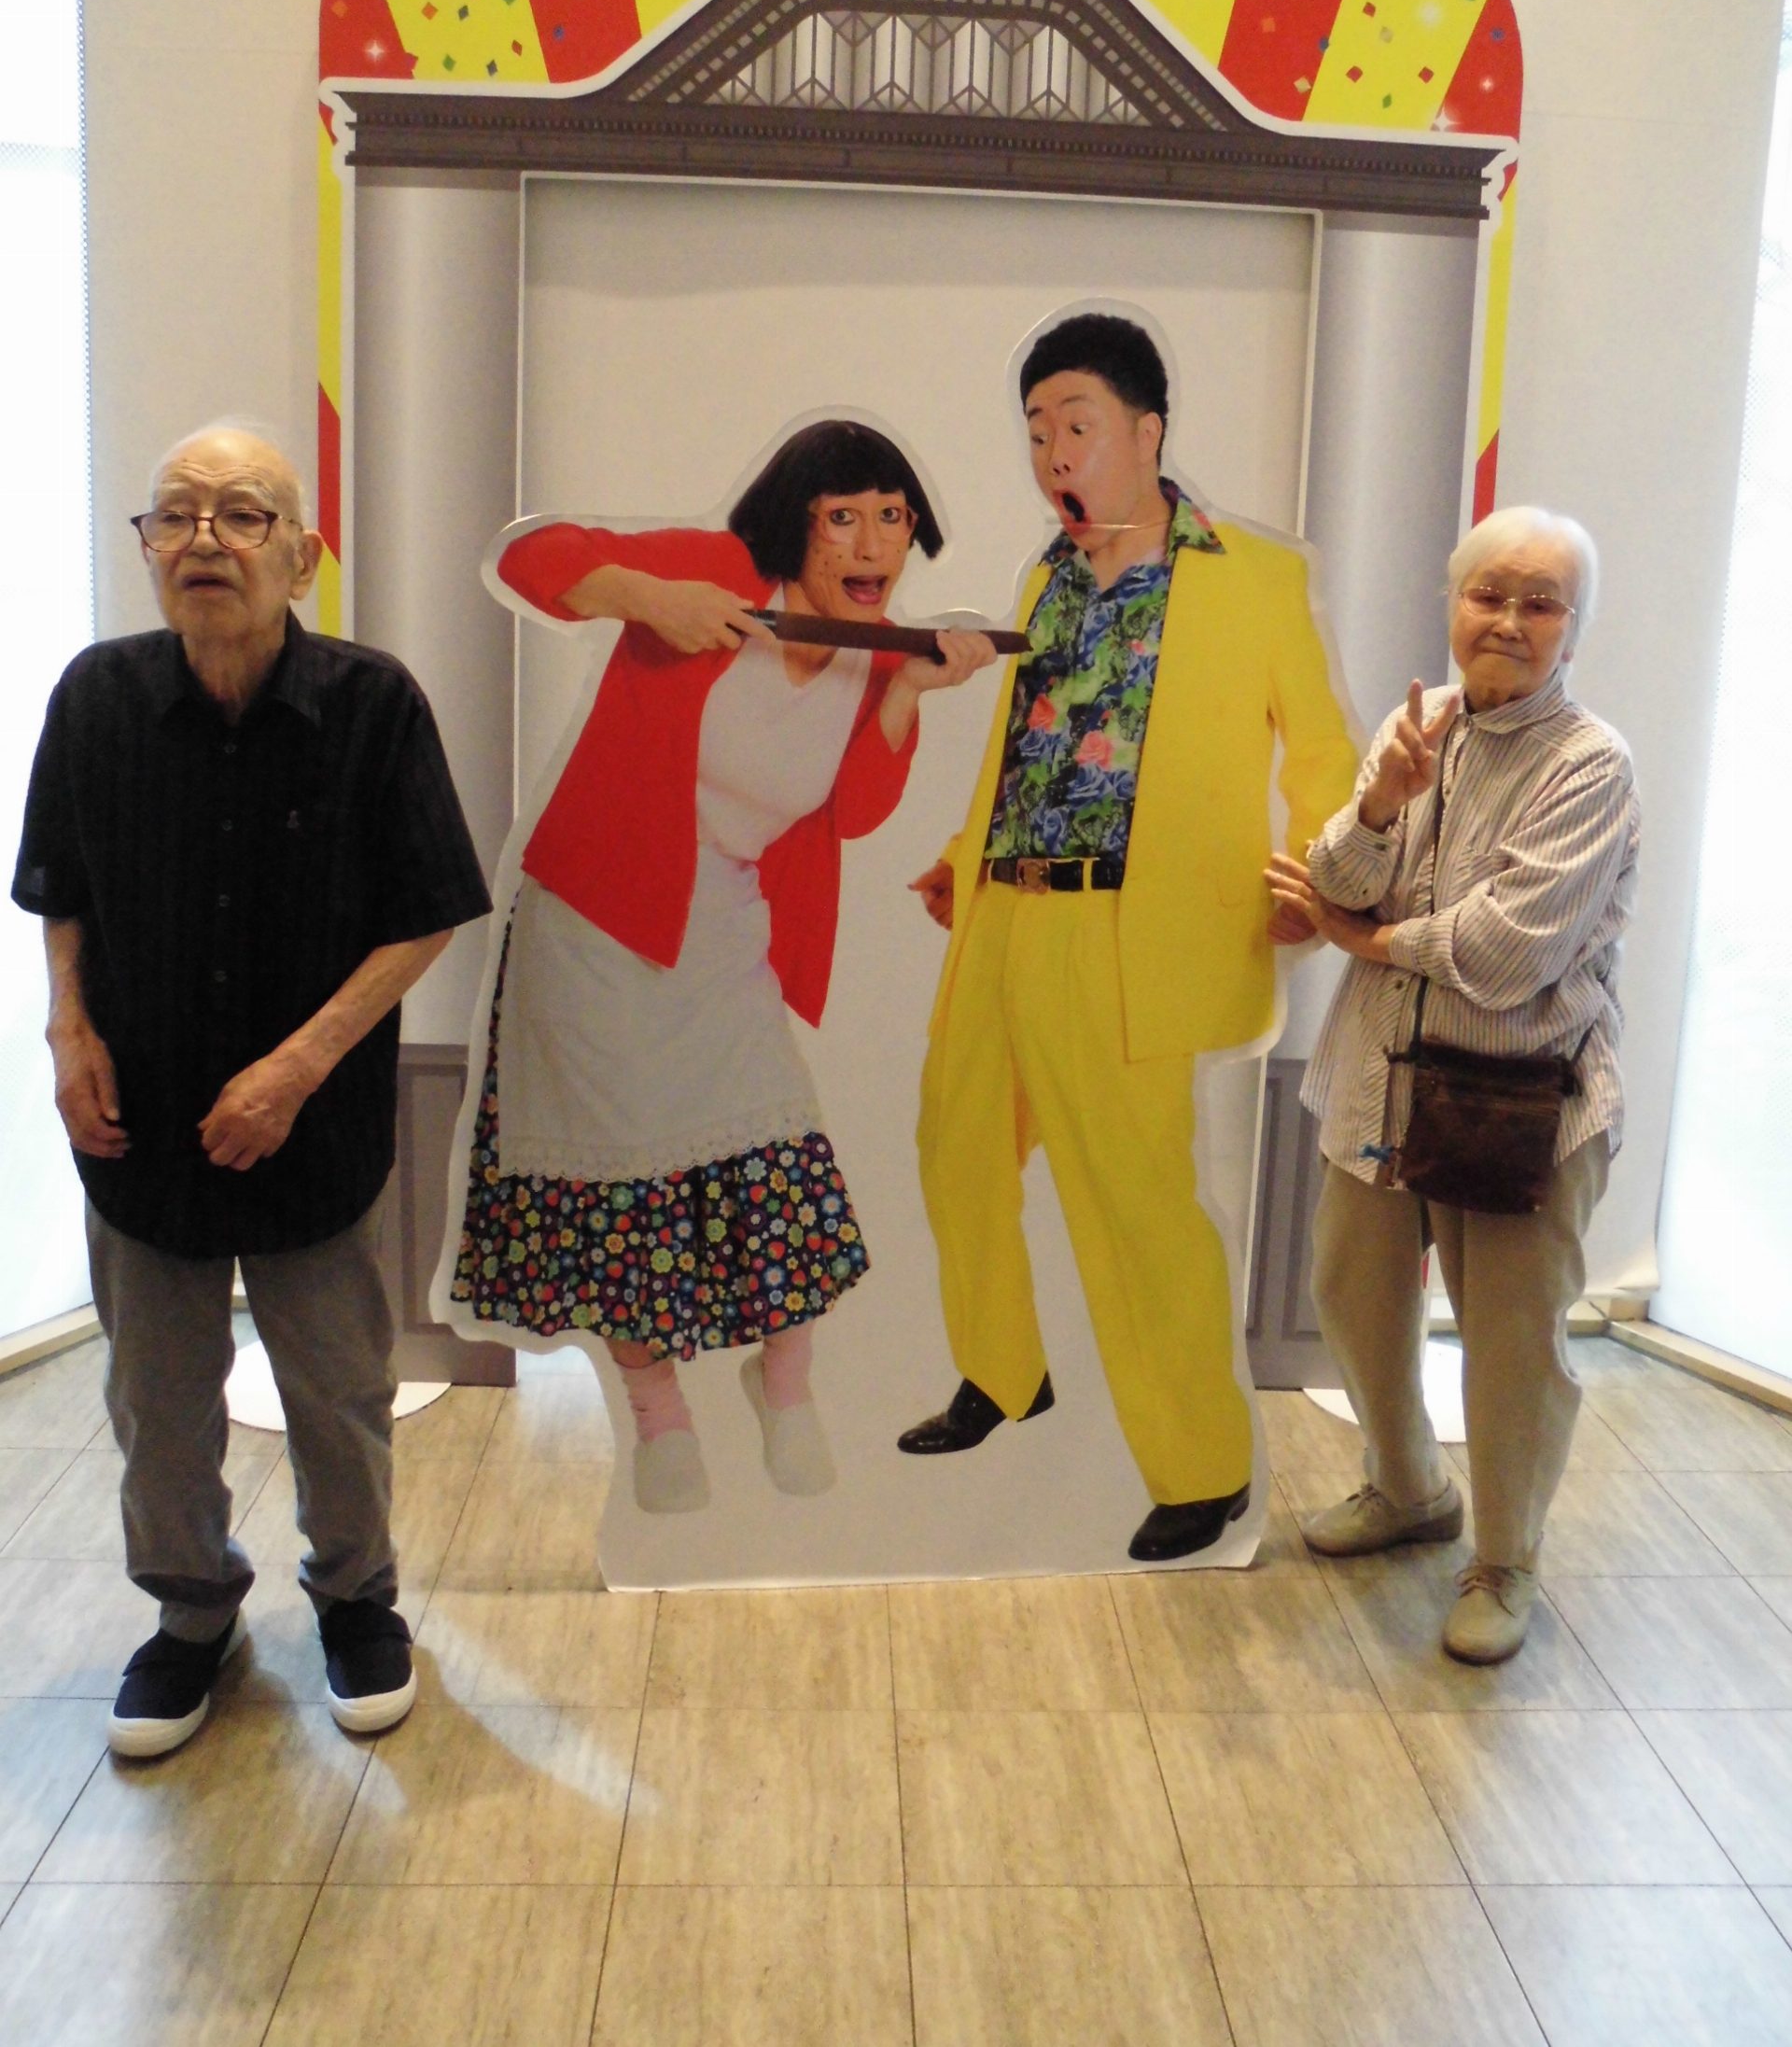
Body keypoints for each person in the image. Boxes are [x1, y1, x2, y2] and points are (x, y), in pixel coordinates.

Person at [12, 424, 491, 1758]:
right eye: (175, 515)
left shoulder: (374, 704)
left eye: (240, 514)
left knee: (336, 1389)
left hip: (313, 1123)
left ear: (303, 553)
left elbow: (427, 910)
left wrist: (296, 1065)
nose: (203, 540)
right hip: (137, 1119)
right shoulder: (96, 696)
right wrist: (65, 1027)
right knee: (156, 1400)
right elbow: (59, 883)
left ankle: (356, 1599)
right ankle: (189, 1614)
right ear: (147, 548)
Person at [441, 419, 995, 1514]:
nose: (873, 542)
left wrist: (908, 693)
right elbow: (528, 556)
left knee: (782, 1165)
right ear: (797, 523)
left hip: (725, 935)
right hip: (594, 929)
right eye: (844, 517)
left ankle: (783, 1384)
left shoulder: (873, 649)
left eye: (892, 518)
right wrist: (645, 597)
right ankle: (659, 1412)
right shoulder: (717, 572)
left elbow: (850, 813)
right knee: (621, 1196)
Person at [901, 313, 1360, 1563]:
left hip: (1129, 934)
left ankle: (1204, 1467)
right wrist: (963, 856)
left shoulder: (1253, 576)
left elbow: (1324, 753)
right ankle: (1003, 1373)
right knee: (953, 1147)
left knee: (1136, 1206)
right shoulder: (1043, 579)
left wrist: (1323, 878)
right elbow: (1030, 747)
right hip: (1006, 912)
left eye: (1078, 425)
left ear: (1148, 432)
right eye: (1036, 431)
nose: (1053, 452)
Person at [1267, 506, 1639, 1663]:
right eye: (1490, 595)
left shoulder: (1591, 765)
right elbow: (1338, 874)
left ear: (1574, 627)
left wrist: (1363, 940)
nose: (1511, 621)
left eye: (1542, 603)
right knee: (1354, 1295)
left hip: (1519, 1102)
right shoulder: (1415, 723)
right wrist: (1381, 799)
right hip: (1381, 1082)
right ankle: (1409, 1487)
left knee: (1511, 1341)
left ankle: (1505, 1560)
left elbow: (1507, 951)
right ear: (1453, 603)